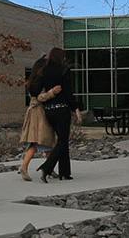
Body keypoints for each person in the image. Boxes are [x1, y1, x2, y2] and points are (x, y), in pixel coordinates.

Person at [36, 47, 82, 182]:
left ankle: (65, 172)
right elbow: (68, 92)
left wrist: (49, 94)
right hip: (62, 110)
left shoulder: (43, 71)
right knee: (63, 141)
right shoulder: (64, 70)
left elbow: (36, 91)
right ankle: (47, 167)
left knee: (62, 140)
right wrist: (76, 109)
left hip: (49, 111)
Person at [18, 56, 62, 181]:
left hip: (35, 113)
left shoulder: (32, 80)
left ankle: (49, 167)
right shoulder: (39, 82)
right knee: (38, 142)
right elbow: (39, 98)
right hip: (39, 114)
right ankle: (24, 167)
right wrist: (52, 92)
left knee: (45, 143)